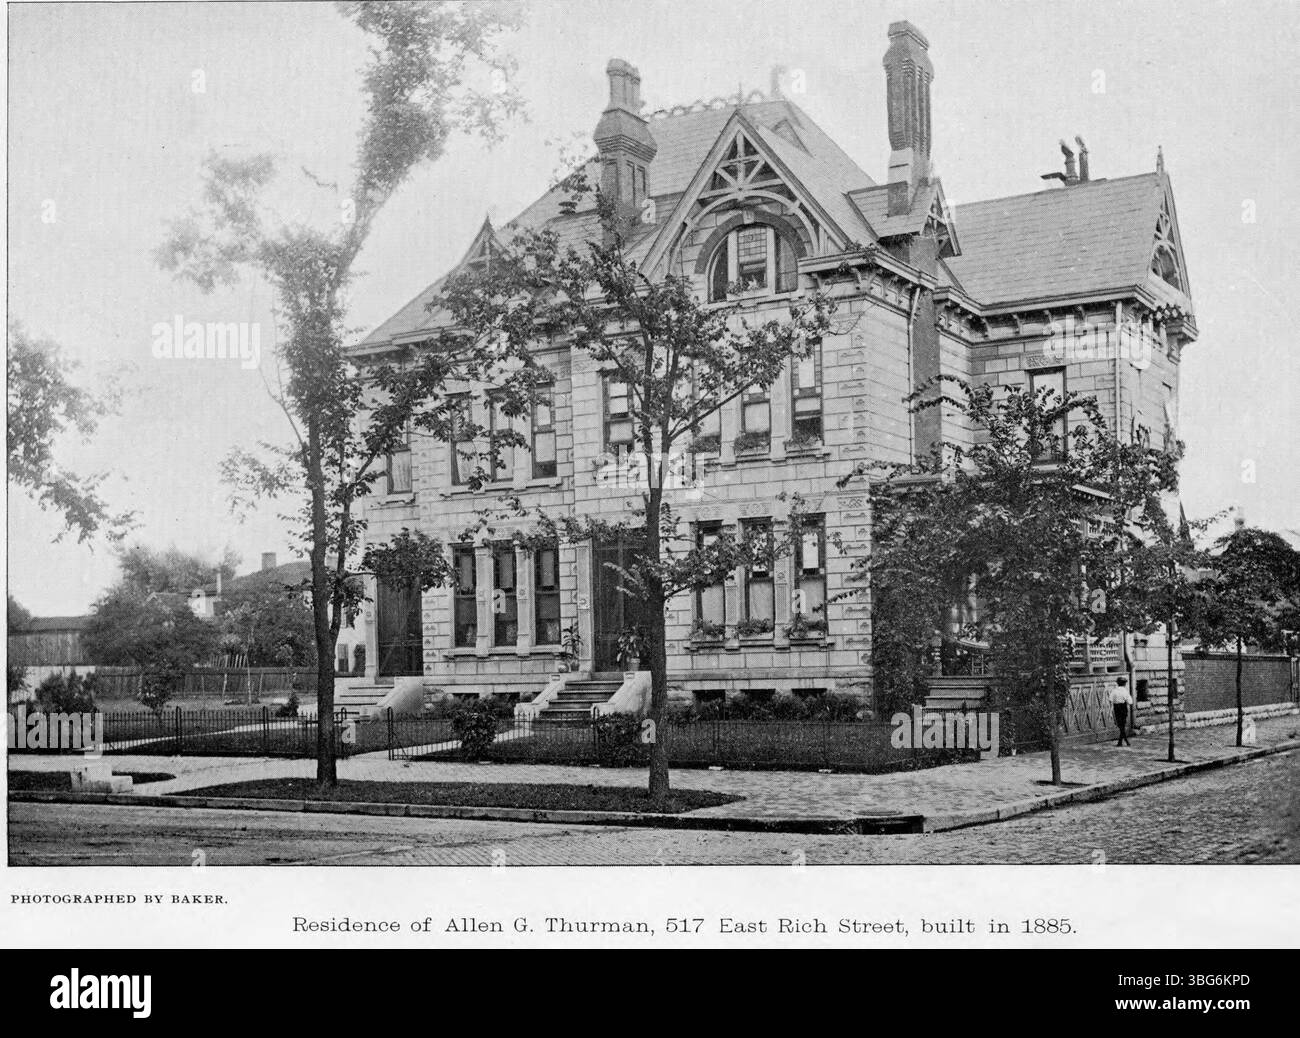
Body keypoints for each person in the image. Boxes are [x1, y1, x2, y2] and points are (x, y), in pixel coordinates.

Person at [1108, 676, 1133, 747]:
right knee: (1123, 724)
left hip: (1117, 708)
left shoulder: (1114, 691)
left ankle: (1121, 742)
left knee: (1120, 725)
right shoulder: (1125, 691)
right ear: (1124, 684)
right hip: (1123, 707)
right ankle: (1124, 740)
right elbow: (1130, 702)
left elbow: (1110, 699)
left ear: (1117, 683)